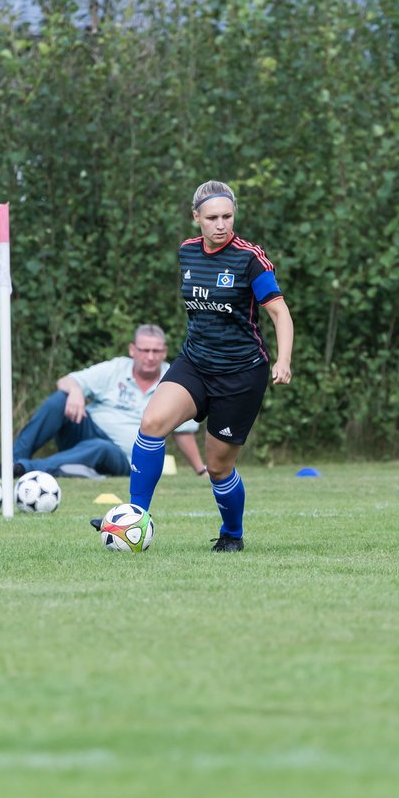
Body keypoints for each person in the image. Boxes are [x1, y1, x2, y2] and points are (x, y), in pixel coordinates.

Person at [105, 180, 294, 552]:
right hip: (194, 362)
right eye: (212, 217)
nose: (221, 224)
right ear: (196, 218)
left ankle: (232, 535)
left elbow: (279, 312)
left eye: (227, 216)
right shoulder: (187, 252)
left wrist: (284, 359)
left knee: (218, 468)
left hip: (240, 374)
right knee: (152, 423)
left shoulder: (249, 259)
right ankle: (134, 517)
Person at [6, 325, 206, 479]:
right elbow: (65, 381)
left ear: (164, 352)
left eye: (156, 351)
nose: (150, 357)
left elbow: (184, 432)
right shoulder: (116, 368)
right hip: (86, 434)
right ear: (132, 350)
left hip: (123, 459)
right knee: (60, 399)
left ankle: (25, 469)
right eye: (145, 350)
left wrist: (200, 470)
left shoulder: (175, 378)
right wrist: (75, 390)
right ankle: (9, 464)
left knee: (100, 447)